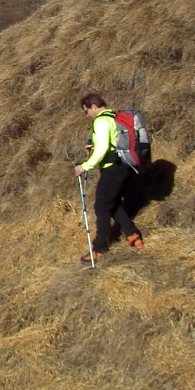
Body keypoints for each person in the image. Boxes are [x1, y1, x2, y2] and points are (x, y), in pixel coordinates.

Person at [73, 93, 144, 263]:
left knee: (101, 206)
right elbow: (111, 142)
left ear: (94, 107)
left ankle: (99, 248)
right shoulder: (114, 117)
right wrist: (94, 146)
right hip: (125, 166)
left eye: (86, 111)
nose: (87, 115)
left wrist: (85, 166)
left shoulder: (101, 121)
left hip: (113, 167)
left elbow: (104, 147)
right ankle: (133, 235)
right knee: (112, 203)